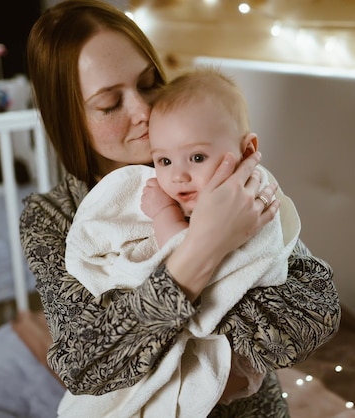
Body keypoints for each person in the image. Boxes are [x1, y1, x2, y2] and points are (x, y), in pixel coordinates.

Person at [21, 0, 341, 417]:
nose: (143, 111)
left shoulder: (218, 169)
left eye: (149, 82)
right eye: (110, 104)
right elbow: (85, 365)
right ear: (70, 119)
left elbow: (313, 317)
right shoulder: (53, 216)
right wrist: (205, 245)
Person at [62, 68, 302, 416]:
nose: (177, 175)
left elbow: (182, 250)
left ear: (247, 149)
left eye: (198, 157)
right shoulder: (62, 211)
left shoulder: (252, 194)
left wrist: (165, 217)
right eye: (164, 160)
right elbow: (84, 362)